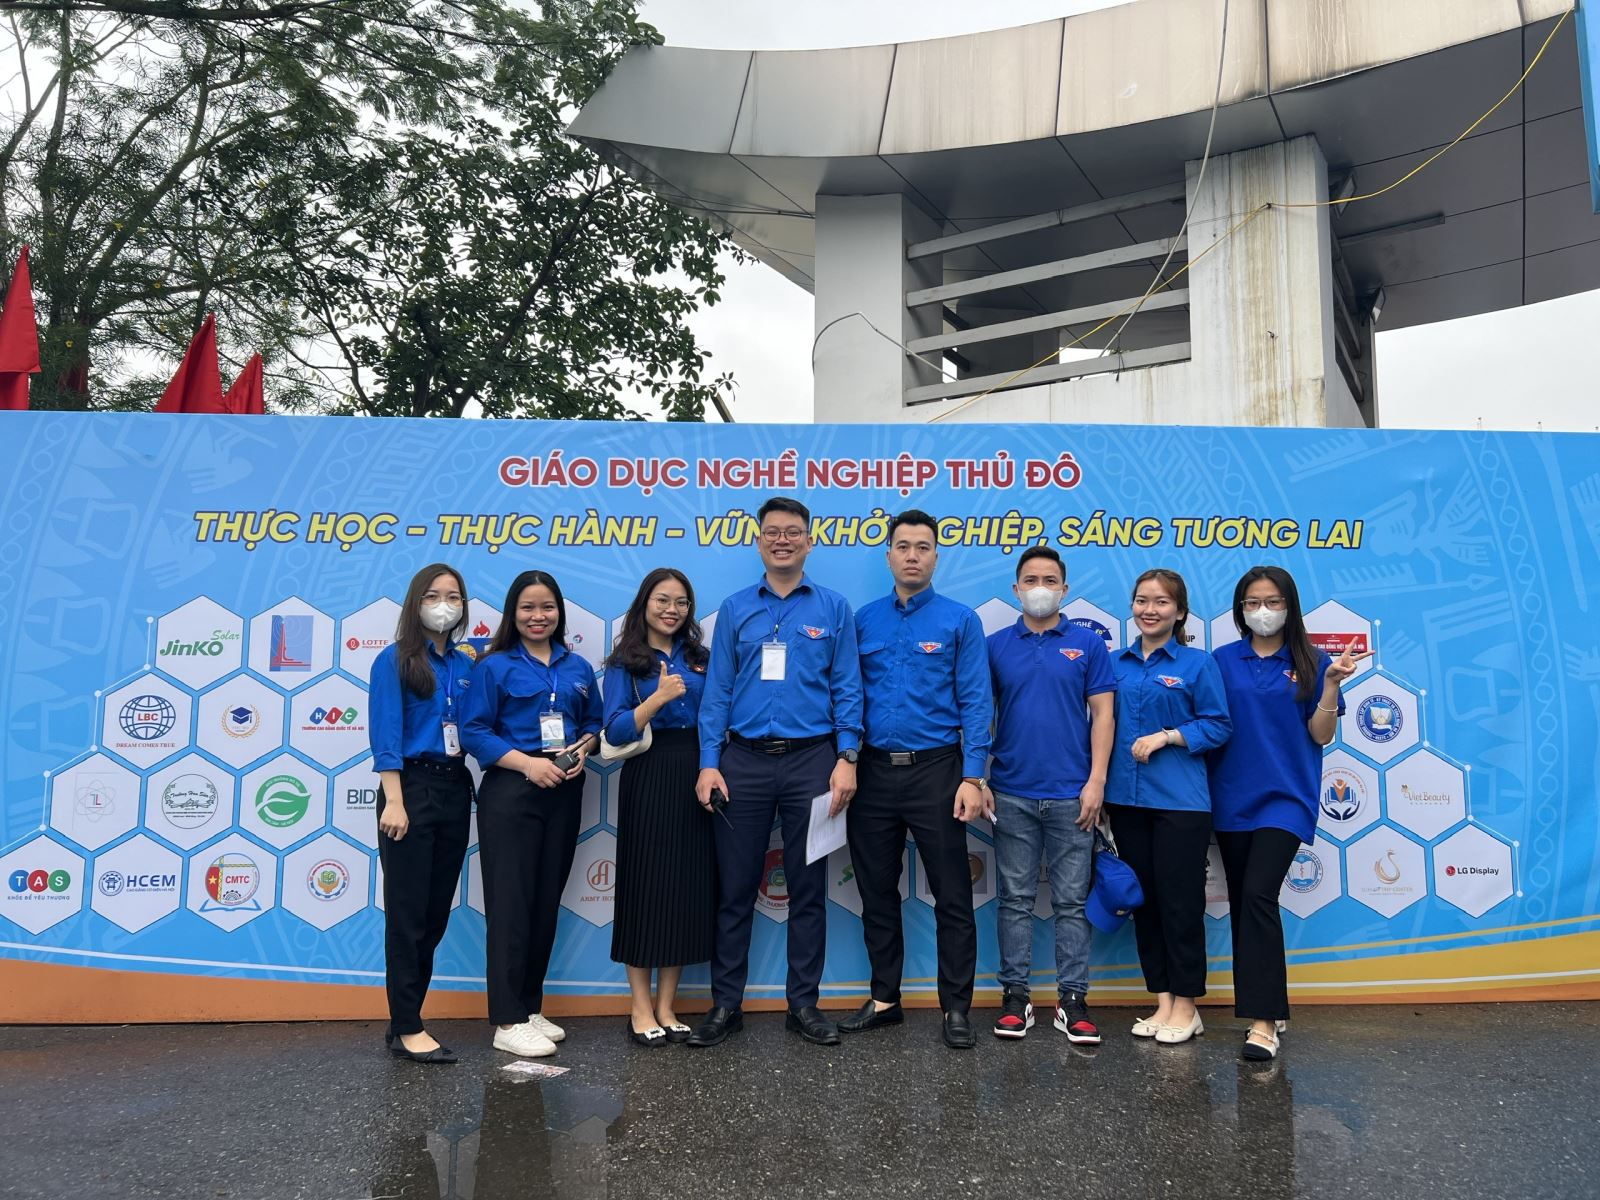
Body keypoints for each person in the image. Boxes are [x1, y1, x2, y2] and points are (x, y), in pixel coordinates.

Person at [690, 496, 864, 1048]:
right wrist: (709, 763)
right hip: (742, 763)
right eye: (772, 532)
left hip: (814, 762)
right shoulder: (736, 608)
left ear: (809, 541)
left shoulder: (833, 608)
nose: (782, 540)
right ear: (759, 541)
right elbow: (717, 693)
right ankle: (726, 1005)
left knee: (808, 890)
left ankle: (803, 1005)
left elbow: (848, 687)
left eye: (793, 532)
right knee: (734, 889)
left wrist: (847, 757)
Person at [838, 509, 992, 1050]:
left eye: (922, 547)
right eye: (902, 546)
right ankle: (885, 1000)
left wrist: (973, 777)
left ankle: (956, 1008)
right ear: (889, 556)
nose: (912, 556)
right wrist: (848, 754)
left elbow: (977, 701)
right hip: (873, 773)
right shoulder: (863, 620)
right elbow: (848, 694)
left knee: (953, 894)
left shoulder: (960, 621)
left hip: (939, 772)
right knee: (877, 893)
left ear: (935, 556)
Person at [1208, 565, 1368, 1060]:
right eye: (1253, 602)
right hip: (1230, 797)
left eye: (1273, 601)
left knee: (1258, 894)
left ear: (1289, 606)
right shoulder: (1220, 660)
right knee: (1245, 902)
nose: (1263, 611)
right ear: (1240, 609)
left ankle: (1263, 1022)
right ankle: (1268, 1004)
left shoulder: (1314, 661)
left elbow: (1321, 734)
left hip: (1285, 798)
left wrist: (1331, 685)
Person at [460, 570, 602, 1058]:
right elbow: (474, 731)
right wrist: (527, 765)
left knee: (544, 902)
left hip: (564, 790)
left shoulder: (577, 666)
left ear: (559, 612)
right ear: (512, 613)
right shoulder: (494, 666)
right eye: (528, 608)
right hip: (512, 791)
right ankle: (506, 1019)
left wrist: (584, 750)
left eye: (547, 607)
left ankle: (529, 1006)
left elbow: (594, 722)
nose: (538, 616)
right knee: (511, 904)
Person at [986, 544, 1115, 1044]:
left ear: (1064, 588)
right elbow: (979, 714)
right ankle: (1015, 998)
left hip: (1073, 796)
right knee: (1015, 901)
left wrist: (1096, 781)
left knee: (1071, 904)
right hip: (1011, 793)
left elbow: (1103, 715)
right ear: (1016, 589)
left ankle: (1072, 1001)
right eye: (1031, 580)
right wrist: (978, 779)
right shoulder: (995, 645)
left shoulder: (1088, 644)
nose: (1040, 588)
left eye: (1049, 580)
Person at [1104, 569, 1232, 1045]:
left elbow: (1219, 725)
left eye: (1161, 602)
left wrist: (1169, 736)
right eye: (1142, 600)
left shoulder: (1198, 664)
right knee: (1147, 904)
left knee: (1180, 904)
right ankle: (1162, 1000)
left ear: (1179, 612)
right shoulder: (1113, 664)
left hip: (1180, 803)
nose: (1150, 610)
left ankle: (1187, 1005)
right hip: (1125, 800)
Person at [600, 567, 715, 1047]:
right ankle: (640, 1006)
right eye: (663, 600)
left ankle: (668, 1005)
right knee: (645, 887)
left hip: (697, 770)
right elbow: (614, 729)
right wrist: (659, 699)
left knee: (684, 889)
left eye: (681, 602)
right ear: (645, 603)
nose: (672, 609)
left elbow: (717, 714)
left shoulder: (702, 658)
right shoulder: (624, 662)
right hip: (649, 771)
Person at [367, 563, 477, 1064]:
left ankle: (403, 1017)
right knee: (407, 915)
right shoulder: (394, 660)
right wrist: (395, 800)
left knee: (434, 915)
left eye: (453, 596)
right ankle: (409, 1027)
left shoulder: (465, 664)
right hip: (409, 789)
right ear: (416, 602)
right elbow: (386, 733)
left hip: (454, 787)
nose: (443, 605)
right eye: (433, 595)